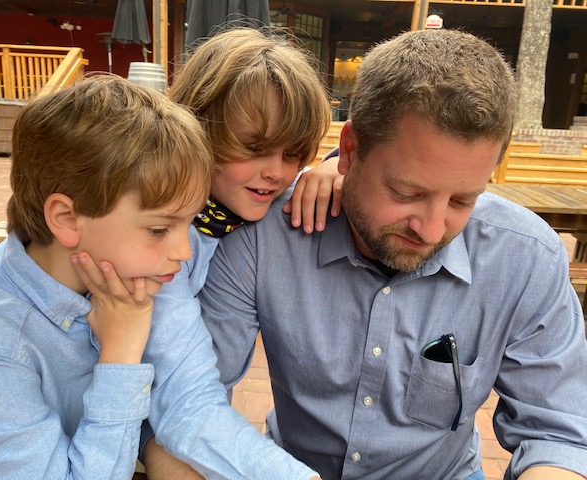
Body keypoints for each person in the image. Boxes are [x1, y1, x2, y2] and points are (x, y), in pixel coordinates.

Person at [197, 29, 587, 480]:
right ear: (348, 151)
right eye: (406, 193)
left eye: (463, 200)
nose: (432, 229)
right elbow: (197, 396)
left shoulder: (525, 258)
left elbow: (558, 433)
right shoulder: (263, 236)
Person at [70, 28, 334, 478]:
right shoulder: (157, 239)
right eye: (253, 148)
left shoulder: (232, 200)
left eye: (293, 154)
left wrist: (331, 169)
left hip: (185, 415)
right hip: (124, 424)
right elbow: (182, 404)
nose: (276, 172)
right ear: (197, 127)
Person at [0, 75, 216, 478]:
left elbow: (168, 411)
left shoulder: (118, 273)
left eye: (189, 223)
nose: (184, 252)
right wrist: (121, 354)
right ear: (67, 219)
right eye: (159, 229)